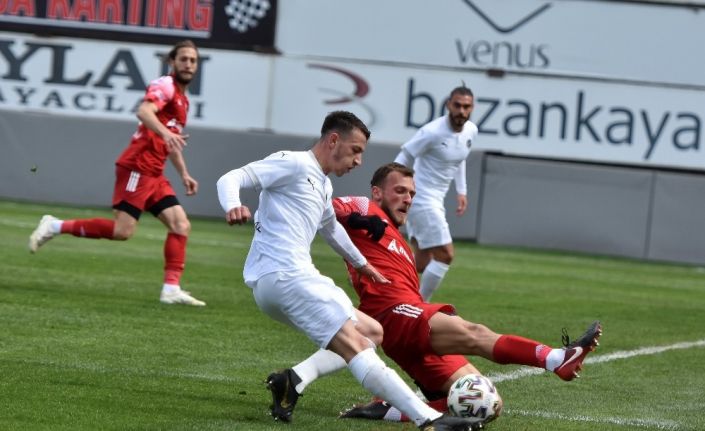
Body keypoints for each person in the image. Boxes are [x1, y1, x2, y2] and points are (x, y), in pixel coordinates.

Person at [266, 162, 602, 424]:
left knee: (485, 402)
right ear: (377, 193)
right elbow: (321, 206)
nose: (408, 198)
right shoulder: (365, 207)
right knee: (474, 333)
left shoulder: (398, 238)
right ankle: (555, 359)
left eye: (412, 193)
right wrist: (343, 217)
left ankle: (388, 410)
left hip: (406, 324)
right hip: (394, 314)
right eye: (399, 191)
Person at [216, 112, 477, 431]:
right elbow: (232, 177)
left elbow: (332, 229)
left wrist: (362, 264)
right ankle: (430, 419)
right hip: (287, 276)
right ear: (333, 140)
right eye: (355, 150)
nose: (358, 161)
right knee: (356, 345)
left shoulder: (323, 184)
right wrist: (232, 203)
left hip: (278, 282)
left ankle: (293, 380)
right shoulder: (294, 163)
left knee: (372, 331)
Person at [28, 40, 205, 306]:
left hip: (155, 172)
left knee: (181, 225)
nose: (188, 64)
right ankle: (54, 225)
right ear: (172, 61)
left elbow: (172, 141)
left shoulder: (183, 100)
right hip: (138, 166)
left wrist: (184, 174)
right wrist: (166, 133)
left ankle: (171, 289)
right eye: (183, 59)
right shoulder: (166, 85)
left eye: (193, 60)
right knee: (123, 231)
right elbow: (144, 111)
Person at [394, 85, 478, 300]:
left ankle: (383, 283)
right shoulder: (432, 131)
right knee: (445, 255)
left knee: (421, 263)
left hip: (436, 199)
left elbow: (459, 158)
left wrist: (462, 191)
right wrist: (392, 187)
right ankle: (420, 306)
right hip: (422, 198)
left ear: (472, 108)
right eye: (457, 105)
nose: (461, 111)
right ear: (448, 105)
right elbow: (405, 156)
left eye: (466, 106)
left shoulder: (471, 130)